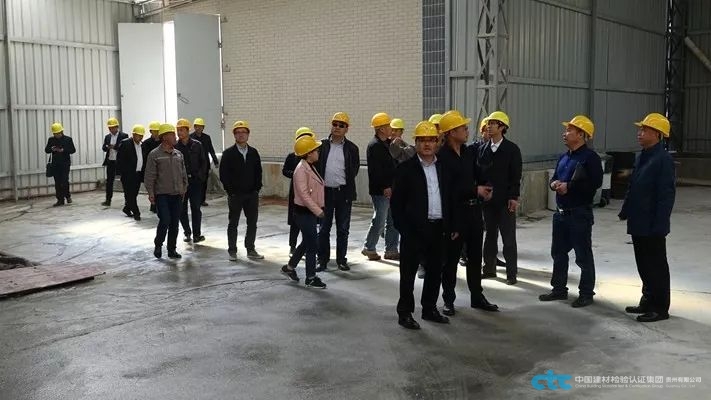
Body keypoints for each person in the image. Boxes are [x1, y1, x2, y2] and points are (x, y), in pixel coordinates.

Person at [392, 120, 456, 330]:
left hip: (438, 228)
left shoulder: (444, 168)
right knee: (408, 274)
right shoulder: (405, 169)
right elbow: (396, 204)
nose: (427, 144)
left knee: (435, 271)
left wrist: (452, 225)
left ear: (437, 143)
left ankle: (429, 309)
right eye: (422, 140)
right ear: (416, 143)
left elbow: (450, 198)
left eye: (431, 140)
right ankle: (405, 313)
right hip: (414, 230)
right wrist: (404, 229)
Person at [438, 110, 499, 316]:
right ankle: (448, 299)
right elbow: (447, 190)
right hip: (456, 214)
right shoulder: (442, 157)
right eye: (463, 128)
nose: (467, 130)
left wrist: (486, 187)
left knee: (475, 257)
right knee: (451, 260)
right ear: (451, 132)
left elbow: (479, 174)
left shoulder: (468, 153)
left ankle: (477, 296)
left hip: (473, 212)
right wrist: (475, 190)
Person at [539, 115, 602, 308]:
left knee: (583, 256)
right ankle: (559, 289)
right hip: (561, 214)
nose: (564, 133)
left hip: (579, 214)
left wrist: (570, 187)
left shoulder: (590, 158)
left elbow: (595, 183)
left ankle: (586, 293)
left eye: (569, 130)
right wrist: (554, 184)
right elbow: (555, 178)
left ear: (581, 134)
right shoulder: (564, 157)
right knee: (558, 253)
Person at [619, 113, 676, 323]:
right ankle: (647, 300)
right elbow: (633, 186)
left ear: (658, 134)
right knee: (643, 264)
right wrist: (626, 209)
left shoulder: (663, 160)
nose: (639, 133)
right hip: (638, 221)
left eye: (645, 130)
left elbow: (666, 195)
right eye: (640, 129)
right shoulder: (642, 156)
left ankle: (660, 308)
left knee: (656, 266)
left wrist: (660, 224)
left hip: (653, 224)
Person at [479, 111, 522, 285]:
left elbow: (515, 176)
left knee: (508, 238)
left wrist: (514, 197)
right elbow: (480, 174)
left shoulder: (512, 149)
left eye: (493, 123)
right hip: (488, 202)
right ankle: (489, 269)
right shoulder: (483, 149)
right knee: (490, 236)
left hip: (505, 201)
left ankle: (511, 274)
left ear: (502, 127)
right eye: (488, 123)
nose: (488, 126)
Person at [281, 132, 327, 289]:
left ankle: (289, 267)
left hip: (309, 213)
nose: (318, 152)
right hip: (304, 213)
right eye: (315, 150)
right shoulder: (301, 170)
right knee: (312, 245)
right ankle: (311, 277)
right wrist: (318, 211)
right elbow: (304, 195)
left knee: (306, 242)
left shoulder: (309, 166)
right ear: (308, 154)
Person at [316, 112, 360, 271]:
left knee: (343, 228)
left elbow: (354, 170)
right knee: (323, 228)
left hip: (343, 193)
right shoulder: (321, 145)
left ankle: (341, 260)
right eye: (335, 124)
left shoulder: (352, 148)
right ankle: (322, 260)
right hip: (325, 193)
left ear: (346, 129)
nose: (337, 127)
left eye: (341, 125)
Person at [219, 120, 265, 261]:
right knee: (233, 223)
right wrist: (230, 191)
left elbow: (258, 172)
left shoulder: (253, 152)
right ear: (234, 135)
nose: (241, 135)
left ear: (248, 134)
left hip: (251, 194)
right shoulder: (228, 153)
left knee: (252, 223)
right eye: (238, 132)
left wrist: (256, 189)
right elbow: (223, 174)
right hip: (235, 195)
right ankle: (232, 250)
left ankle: (250, 249)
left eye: (243, 132)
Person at [144, 123, 188, 259]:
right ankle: (158, 244)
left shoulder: (178, 154)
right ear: (164, 137)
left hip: (177, 194)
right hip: (162, 194)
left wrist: (184, 188)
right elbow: (150, 176)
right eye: (172, 134)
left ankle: (171, 250)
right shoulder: (154, 155)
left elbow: (183, 173)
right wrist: (151, 193)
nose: (175, 137)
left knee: (174, 223)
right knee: (165, 220)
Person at [362, 112, 399, 261]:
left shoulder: (388, 144)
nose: (391, 128)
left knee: (393, 220)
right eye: (388, 126)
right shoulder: (375, 146)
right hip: (381, 191)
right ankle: (369, 247)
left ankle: (391, 249)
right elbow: (376, 170)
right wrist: (385, 186)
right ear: (381, 129)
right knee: (380, 219)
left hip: (392, 188)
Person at [282, 127, 314, 257]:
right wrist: (296, 175)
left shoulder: (313, 157)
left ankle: (305, 247)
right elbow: (285, 171)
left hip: (311, 193)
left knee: (309, 222)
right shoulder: (292, 157)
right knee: (295, 222)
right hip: (296, 193)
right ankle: (292, 247)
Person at [175, 118, 208, 243]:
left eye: (182, 130)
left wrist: (200, 176)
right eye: (178, 130)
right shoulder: (175, 146)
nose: (179, 133)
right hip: (181, 183)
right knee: (181, 209)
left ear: (188, 131)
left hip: (195, 182)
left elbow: (203, 162)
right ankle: (187, 232)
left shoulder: (197, 145)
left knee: (196, 208)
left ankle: (197, 234)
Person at [116, 124, 147, 221]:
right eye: (138, 135)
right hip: (128, 175)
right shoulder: (125, 143)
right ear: (133, 134)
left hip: (138, 174)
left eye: (141, 135)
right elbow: (120, 159)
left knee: (134, 194)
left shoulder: (142, 145)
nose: (140, 137)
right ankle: (137, 213)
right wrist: (122, 172)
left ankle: (127, 208)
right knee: (130, 195)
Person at [44, 122, 76, 206]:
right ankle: (60, 200)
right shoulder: (51, 140)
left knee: (64, 181)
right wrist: (52, 149)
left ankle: (67, 196)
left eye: (58, 133)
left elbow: (73, 150)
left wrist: (63, 150)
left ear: (61, 132)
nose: (56, 135)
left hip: (65, 163)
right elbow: (46, 150)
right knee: (57, 182)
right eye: (55, 133)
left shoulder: (68, 139)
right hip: (55, 164)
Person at [190, 117, 219, 206]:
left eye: (200, 126)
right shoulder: (191, 137)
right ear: (194, 127)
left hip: (205, 163)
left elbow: (211, 150)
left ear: (203, 127)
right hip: (194, 164)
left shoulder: (207, 138)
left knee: (204, 183)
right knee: (195, 183)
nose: (198, 128)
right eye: (196, 126)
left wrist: (215, 161)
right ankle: (195, 200)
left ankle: (202, 200)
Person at [101, 117, 128, 207]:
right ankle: (108, 200)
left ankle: (127, 200)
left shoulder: (124, 136)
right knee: (109, 182)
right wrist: (107, 147)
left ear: (117, 127)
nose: (111, 129)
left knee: (124, 181)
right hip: (111, 161)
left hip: (121, 162)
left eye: (112, 127)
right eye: (110, 128)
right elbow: (104, 148)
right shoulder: (107, 137)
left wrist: (115, 147)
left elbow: (125, 148)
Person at [142, 121, 163, 213]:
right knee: (153, 188)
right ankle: (153, 205)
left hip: (162, 169)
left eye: (158, 131)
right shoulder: (146, 143)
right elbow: (144, 158)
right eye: (155, 131)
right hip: (151, 169)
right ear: (151, 131)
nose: (157, 133)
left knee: (160, 188)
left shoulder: (163, 142)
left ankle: (158, 206)